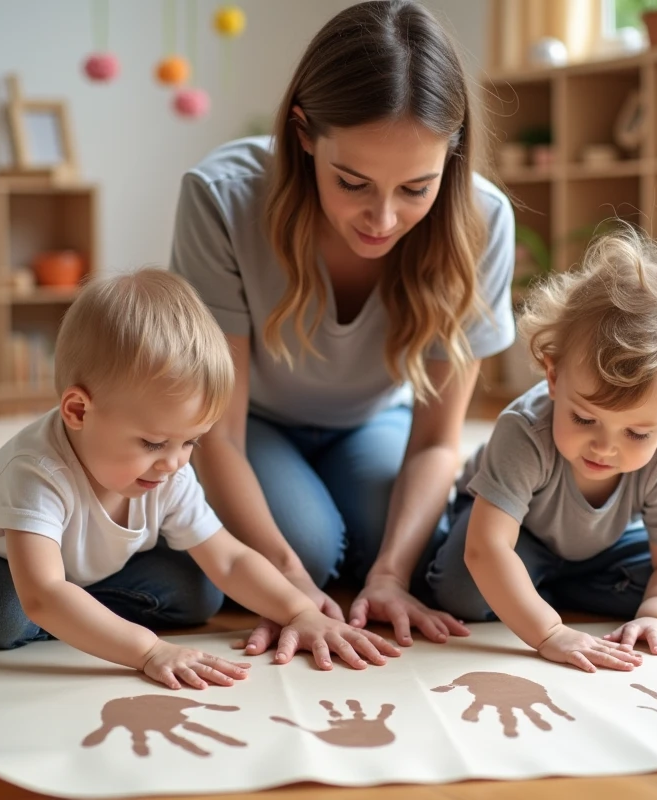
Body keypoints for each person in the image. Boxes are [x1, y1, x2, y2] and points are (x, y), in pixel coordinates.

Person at [171, 0, 515, 653]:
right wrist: (289, 585)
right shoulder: (221, 197)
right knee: (309, 545)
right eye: (352, 182)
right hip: (250, 426)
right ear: (303, 134)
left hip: (372, 422)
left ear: (453, 153)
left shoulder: (484, 220)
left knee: (413, 553)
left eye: (416, 188)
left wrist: (389, 572)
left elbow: (439, 442)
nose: (382, 218)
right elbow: (216, 434)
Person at [0, 269, 399, 689]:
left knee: (199, 590)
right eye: (154, 443)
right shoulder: (36, 472)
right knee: (0, 615)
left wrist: (298, 610)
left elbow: (229, 556)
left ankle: (84, 618)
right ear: (77, 411)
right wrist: (146, 648)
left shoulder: (170, 468)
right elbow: (42, 592)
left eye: (191, 441)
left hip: (74, 574)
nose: (175, 462)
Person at [426, 225, 657, 673]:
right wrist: (549, 632)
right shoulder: (525, 431)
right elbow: (487, 548)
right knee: (461, 587)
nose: (605, 445)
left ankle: (537, 590)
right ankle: (530, 591)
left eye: (637, 433)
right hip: (516, 535)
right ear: (553, 377)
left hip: (600, 548)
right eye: (584, 418)